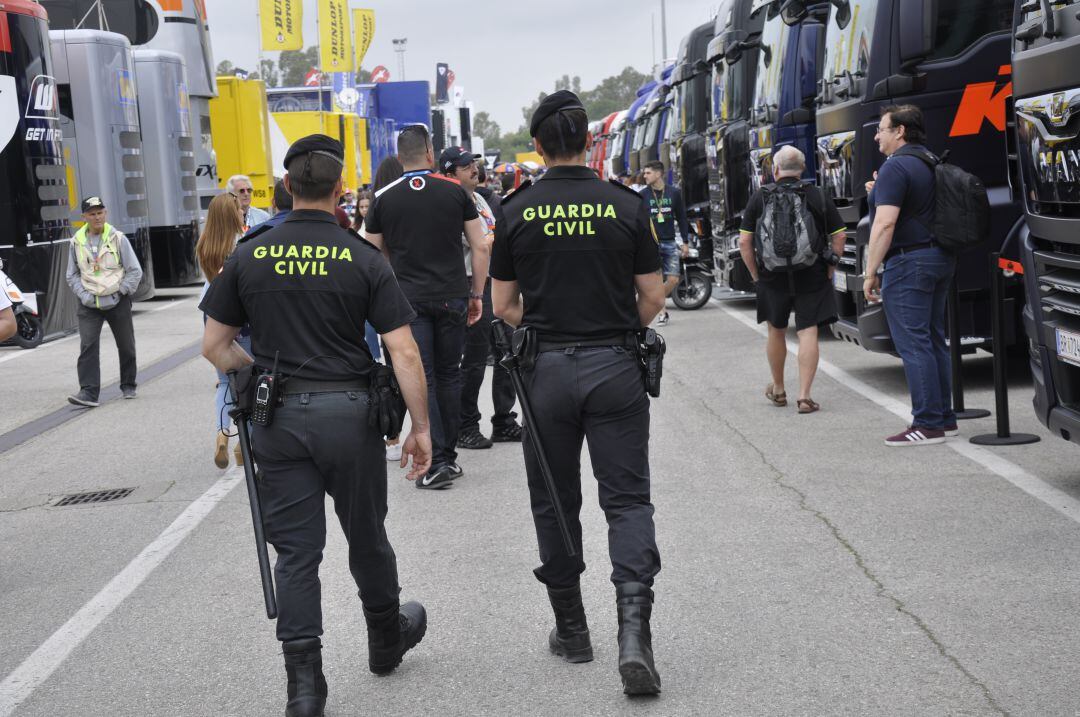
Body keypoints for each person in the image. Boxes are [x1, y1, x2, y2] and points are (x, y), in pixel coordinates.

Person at [200, 135, 433, 717]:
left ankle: (304, 686)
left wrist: (257, 377)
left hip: (277, 418)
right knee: (367, 534)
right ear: (337, 194)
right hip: (349, 416)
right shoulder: (362, 256)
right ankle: (385, 640)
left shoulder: (250, 253)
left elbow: (215, 346)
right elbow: (402, 352)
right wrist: (421, 427)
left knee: (297, 553)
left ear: (284, 190)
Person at [490, 90, 667, 695]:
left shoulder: (515, 210)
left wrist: (546, 329)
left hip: (545, 373)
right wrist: (616, 332)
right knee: (627, 499)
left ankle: (573, 629)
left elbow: (502, 306)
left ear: (538, 147)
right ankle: (634, 635)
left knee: (555, 501)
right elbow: (653, 296)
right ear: (589, 143)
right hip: (615, 365)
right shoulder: (625, 205)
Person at [364, 126, 489, 490]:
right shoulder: (455, 192)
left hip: (407, 300)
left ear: (400, 156)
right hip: (452, 295)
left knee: (424, 376)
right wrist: (477, 294)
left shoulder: (383, 196)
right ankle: (446, 457)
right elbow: (480, 247)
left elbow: (370, 253)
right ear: (431, 154)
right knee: (451, 373)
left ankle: (434, 457)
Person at [864, 104, 957, 446]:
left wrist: (870, 272)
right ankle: (944, 417)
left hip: (909, 262)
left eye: (882, 129)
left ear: (900, 131)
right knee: (933, 339)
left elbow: (886, 224)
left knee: (914, 343)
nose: (877, 136)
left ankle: (927, 423)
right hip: (939, 257)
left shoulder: (895, 167)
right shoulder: (928, 160)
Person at [738, 146, 846, 414]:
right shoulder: (817, 194)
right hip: (812, 273)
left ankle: (778, 388)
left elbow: (744, 241)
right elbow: (839, 236)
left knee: (776, 329)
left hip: (771, 276)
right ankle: (805, 396)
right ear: (804, 169)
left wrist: (755, 274)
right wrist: (831, 267)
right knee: (808, 330)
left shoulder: (759, 197)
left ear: (775, 170)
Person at [439, 146, 521, 450]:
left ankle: (503, 420)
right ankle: (465, 424)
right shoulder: (447, 204)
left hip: (491, 282)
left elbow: (490, 238)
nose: (474, 169)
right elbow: (482, 241)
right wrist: (491, 238)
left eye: (474, 163)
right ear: (449, 174)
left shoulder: (481, 199)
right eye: (465, 166)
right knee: (472, 360)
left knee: (506, 352)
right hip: (468, 285)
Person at [65, 196, 143, 407]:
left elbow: (134, 271)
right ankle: (88, 393)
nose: (97, 217)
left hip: (117, 299)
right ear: (84, 217)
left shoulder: (118, 238)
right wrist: (84, 296)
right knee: (88, 346)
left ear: (105, 213)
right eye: (92, 213)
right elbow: (71, 275)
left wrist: (121, 292)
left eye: (100, 212)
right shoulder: (76, 242)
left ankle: (128, 385)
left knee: (126, 345)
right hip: (89, 303)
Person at [197, 192, 249, 468]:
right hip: (239, 315)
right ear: (233, 214)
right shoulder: (242, 246)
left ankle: (222, 433)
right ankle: (245, 442)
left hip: (211, 311)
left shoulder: (205, 245)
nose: (243, 212)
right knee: (250, 376)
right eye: (239, 210)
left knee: (224, 380)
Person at [360, 157, 406, 463]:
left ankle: (393, 436)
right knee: (417, 363)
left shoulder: (377, 209)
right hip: (417, 289)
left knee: (392, 365)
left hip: (384, 292)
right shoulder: (409, 204)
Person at [640, 160, 690, 326]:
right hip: (650, 244)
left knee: (673, 279)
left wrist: (685, 241)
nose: (644, 176)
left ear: (658, 174)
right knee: (656, 280)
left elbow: (682, 218)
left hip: (669, 242)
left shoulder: (674, 193)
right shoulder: (642, 195)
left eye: (648, 173)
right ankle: (662, 312)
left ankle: (656, 302)